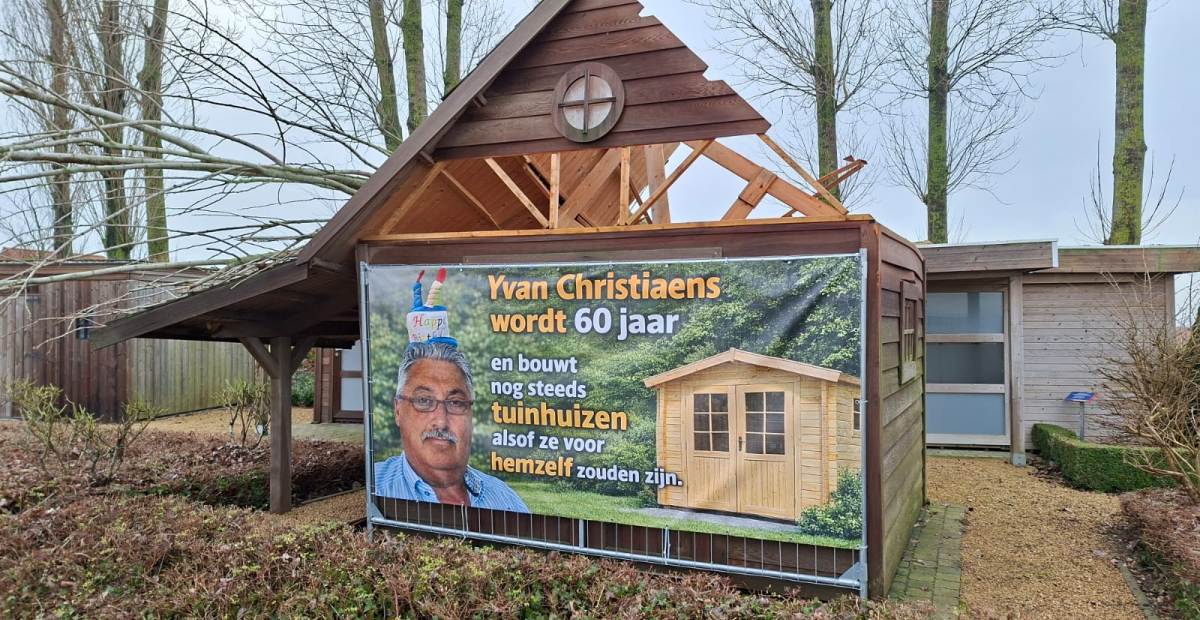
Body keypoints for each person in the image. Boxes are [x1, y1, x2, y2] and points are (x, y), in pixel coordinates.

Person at [374, 342, 529, 512]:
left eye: (455, 403)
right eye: (424, 400)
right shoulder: (374, 487)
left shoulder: (506, 500)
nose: (441, 422)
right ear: (398, 411)